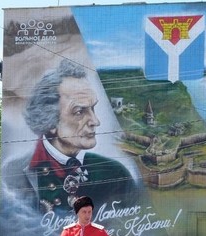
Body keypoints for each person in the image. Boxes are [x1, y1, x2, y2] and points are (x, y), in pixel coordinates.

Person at [22, 58, 136, 213]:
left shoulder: (116, 173)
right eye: (79, 112)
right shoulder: (15, 174)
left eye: (93, 109)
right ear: (50, 121)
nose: (95, 121)